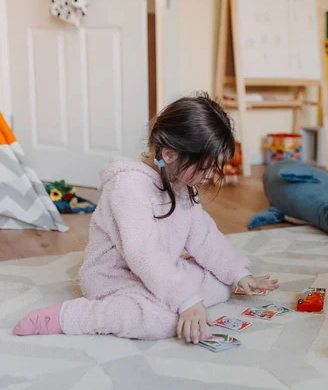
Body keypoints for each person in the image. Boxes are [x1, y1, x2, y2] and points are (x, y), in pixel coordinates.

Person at [13, 92, 279, 343]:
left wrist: (237, 272)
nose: (210, 176)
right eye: (204, 167)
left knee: (221, 285)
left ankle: (178, 293)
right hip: (114, 276)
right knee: (163, 320)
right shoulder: (128, 187)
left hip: (155, 271)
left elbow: (205, 236)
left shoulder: (183, 186)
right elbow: (142, 252)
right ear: (169, 154)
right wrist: (185, 299)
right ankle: (74, 316)